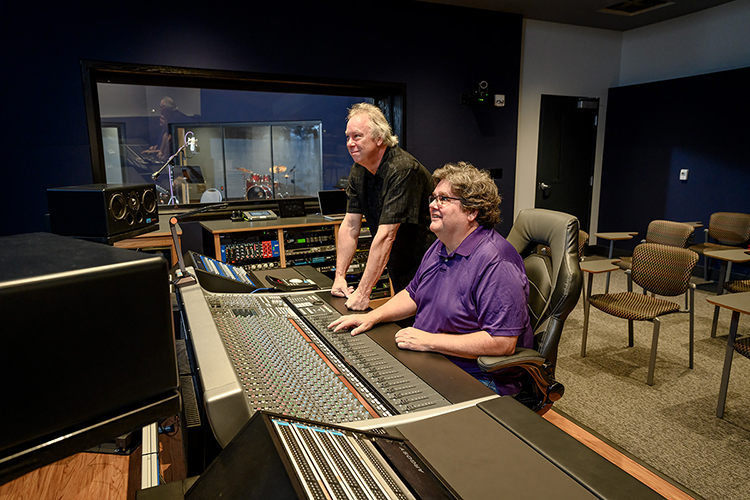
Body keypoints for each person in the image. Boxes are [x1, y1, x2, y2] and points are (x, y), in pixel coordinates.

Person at [329, 161, 533, 395]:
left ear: (472, 211)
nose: (433, 206)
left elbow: (502, 343)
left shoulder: (497, 262)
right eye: (433, 198)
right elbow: (413, 293)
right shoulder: (440, 246)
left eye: (444, 199)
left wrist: (429, 341)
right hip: (432, 359)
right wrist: (372, 316)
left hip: (476, 377)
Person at [332, 102, 436, 311]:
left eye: (357, 136)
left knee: (424, 331)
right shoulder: (358, 171)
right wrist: (339, 277)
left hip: (429, 265)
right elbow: (350, 226)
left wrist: (363, 293)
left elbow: (387, 235)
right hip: (398, 262)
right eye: (348, 137)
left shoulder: (403, 169)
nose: (350, 143)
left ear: (379, 138)